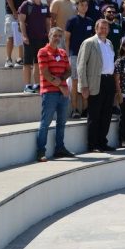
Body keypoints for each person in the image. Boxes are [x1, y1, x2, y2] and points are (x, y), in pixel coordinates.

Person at [77, 19, 117, 152]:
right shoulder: (89, 43)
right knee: (94, 115)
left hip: (109, 81)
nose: (104, 30)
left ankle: (102, 142)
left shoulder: (110, 43)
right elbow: (81, 65)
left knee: (106, 114)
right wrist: (83, 85)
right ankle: (92, 144)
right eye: (102, 28)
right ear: (96, 28)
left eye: (106, 28)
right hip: (95, 82)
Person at [35, 27, 75, 162]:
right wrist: (60, 86)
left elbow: (69, 71)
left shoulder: (63, 53)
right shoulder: (43, 52)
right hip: (49, 93)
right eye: (55, 35)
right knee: (45, 123)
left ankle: (60, 148)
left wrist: (62, 82)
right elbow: (45, 73)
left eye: (59, 36)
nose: (57, 38)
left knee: (61, 123)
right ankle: (41, 151)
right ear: (49, 36)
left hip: (62, 93)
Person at [65, 0, 95, 118]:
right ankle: (75, 109)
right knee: (75, 82)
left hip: (87, 56)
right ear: (77, 6)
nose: (84, 7)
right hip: (75, 55)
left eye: (86, 5)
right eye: (82, 5)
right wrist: (68, 55)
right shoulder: (71, 20)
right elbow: (66, 39)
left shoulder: (90, 21)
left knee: (86, 83)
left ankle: (86, 109)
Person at [18, 0, 51, 93]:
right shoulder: (26, 5)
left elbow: (47, 23)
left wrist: (49, 36)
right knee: (27, 62)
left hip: (42, 39)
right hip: (29, 38)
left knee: (38, 63)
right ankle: (27, 85)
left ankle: (37, 84)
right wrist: (24, 36)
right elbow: (21, 21)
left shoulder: (45, 7)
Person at [4, 0, 35, 68]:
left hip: (25, 15)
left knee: (23, 35)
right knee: (10, 36)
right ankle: (8, 59)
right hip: (11, 13)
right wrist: (14, 11)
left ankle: (20, 59)